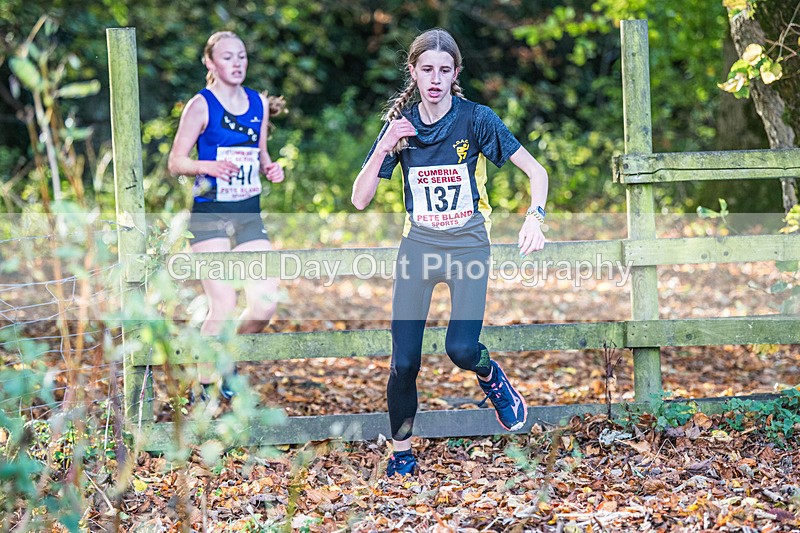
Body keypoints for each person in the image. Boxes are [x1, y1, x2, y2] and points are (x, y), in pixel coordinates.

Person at [352, 28, 548, 477]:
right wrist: (386, 143)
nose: (435, 79)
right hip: (418, 248)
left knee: (460, 348)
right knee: (404, 362)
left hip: (467, 247)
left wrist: (534, 216)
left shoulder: (476, 119)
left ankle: (490, 375)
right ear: (414, 73)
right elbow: (359, 199)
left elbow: (536, 172)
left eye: (444, 70)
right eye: (427, 70)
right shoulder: (400, 128)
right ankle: (401, 452)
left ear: (455, 72)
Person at [168, 30, 285, 401]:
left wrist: (271, 168)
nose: (236, 64)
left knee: (265, 304)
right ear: (210, 62)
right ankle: (204, 390)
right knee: (223, 303)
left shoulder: (257, 103)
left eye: (242, 57)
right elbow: (176, 162)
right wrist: (210, 166)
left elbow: (260, 152)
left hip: (249, 215)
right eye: (228, 57)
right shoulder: (200, 106)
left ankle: (226, 359)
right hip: (210, 216)